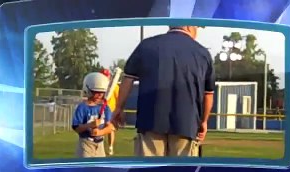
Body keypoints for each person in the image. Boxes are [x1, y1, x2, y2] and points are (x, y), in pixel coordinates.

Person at [111, 26, 215, 157]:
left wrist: (119, 107)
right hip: (186, 123)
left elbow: (128, 79)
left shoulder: (147, 45)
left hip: (150, 120)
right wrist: (204, 121)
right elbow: (208, 94)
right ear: (189, 26)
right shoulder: (202, 52)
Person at [72, 72, 116, 158]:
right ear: (88, 90)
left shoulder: (105, 107)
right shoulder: (82, 107)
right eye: (96, 92)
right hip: (85, 144)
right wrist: (90, 125)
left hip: (100, 145)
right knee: (85, 170)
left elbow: (110, 127)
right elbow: (76, 128)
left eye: (102, 92)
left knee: (100, 170)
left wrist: (100, 132)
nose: (100, 94)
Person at [99, 69, 120, 155]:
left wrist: (118, 111)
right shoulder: (99, 85)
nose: (105, 77)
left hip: (111, 110)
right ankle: (100, 146)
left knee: (110, 129)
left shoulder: (115, 87)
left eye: (106, 75)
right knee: (100, 128)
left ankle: (110, 147)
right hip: (101, 109)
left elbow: (119, 98)